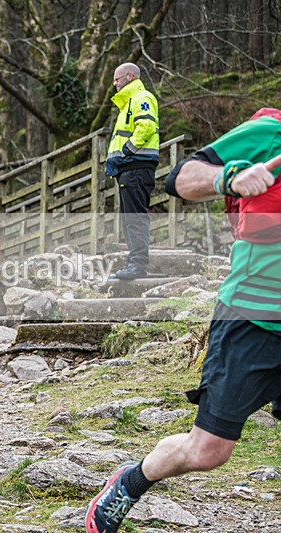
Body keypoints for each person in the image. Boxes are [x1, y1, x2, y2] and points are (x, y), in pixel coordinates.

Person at [86, 108, 281, 533]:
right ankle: (132, 480)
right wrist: (228, 179)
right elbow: (179, 178)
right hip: (253, 319)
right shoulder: (271, 133)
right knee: (208, 451)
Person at [105, 63, 160, 280]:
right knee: (130, 218)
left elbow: (145, 127)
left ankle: (138, 264)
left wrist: (127, 150)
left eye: (117, 79)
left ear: (130, 76)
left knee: (134, 217)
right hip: (130, 168)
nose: (114, 84)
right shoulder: (129, 101)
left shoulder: (141, 98)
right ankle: (134, 263)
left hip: (136, 167)